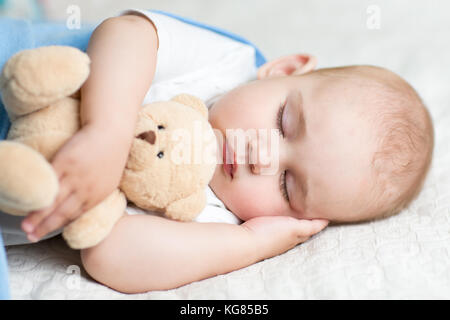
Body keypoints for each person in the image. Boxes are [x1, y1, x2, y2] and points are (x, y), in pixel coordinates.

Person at [0, 10, 433, 294]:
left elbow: (108, 256)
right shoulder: (229, 65)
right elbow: (126, 32)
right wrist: (107, 131)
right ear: (281, 71)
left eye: (287, 184)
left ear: (295, 219)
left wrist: (247, 244)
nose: (262, 158)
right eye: (283, 121)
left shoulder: (222, 217)